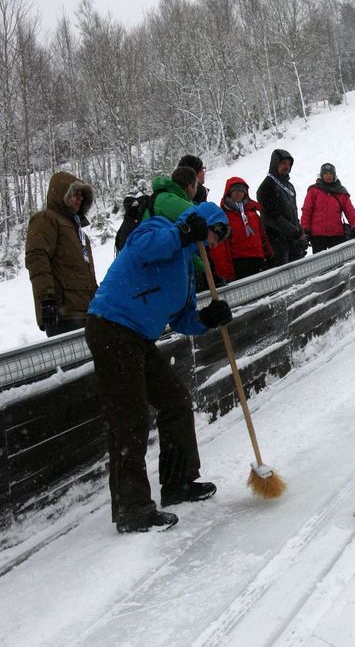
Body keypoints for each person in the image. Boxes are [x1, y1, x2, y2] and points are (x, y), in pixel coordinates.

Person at [85, 202, 232, 534]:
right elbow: (140, 249)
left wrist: (206, 319)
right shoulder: (158, 229)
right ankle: (132, 508)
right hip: (111, 326)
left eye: (218, 240)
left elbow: (182, 318)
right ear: (201, 223)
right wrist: (181, 233)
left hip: (140, 337)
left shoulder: (187, 267)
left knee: (175, 401)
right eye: (213, 233)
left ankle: (178, 482)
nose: (212, 243)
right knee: (130, 419)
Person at [25, 171, 99, 337]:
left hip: (87, 312)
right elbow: (37, 258)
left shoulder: (79, 232)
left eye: (82, 195)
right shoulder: (46, 219)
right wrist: (47, 300)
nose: (79, 198)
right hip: (63, 314)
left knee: (90, 362)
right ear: (62, 194)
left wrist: (98, 300)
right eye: (75, 193)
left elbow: (85, 273)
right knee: (72, 363)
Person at [212, 176, 274, 280]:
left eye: (242, 191)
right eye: (235, 190)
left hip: (258, 259)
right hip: (239, 263)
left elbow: (262, 235)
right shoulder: (223, 216)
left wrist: (269, 254)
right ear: (229, 192)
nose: (239, 193)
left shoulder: (253, 213)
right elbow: (222, 245)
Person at [257, 149, 308, 266]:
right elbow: (272, 216)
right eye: (283, 163)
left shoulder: (289, 186)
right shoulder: (267, 186)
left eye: (289, 164)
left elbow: (293, 212)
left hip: (293, 240)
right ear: (275, 163)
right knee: (284, 277)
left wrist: (299, 229)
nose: (287, 166)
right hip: (277, 241)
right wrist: (294, 232)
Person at [301, 163, 355, 253]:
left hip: (336, 235)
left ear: (334, 175)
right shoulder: (313, 190)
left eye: (330, 173)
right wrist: (305, 231)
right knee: (319, 264)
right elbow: (307, 211)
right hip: (317, 236)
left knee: (338, 264)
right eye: (325, 173)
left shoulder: (341, 192)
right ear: (321, 175)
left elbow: (350, 211)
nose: (328, 176)